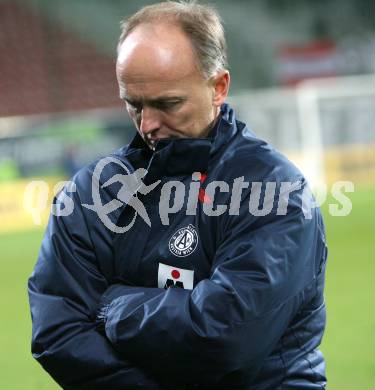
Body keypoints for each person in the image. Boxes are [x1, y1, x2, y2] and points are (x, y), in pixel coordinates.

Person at [28, 1, 328, 389]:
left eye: (167, 104)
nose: (148, 124)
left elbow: (225, 338)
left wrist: (114, 307)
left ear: (218, 86)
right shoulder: (91, 194)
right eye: (133, 104)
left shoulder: (275, 192)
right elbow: (58, 333)